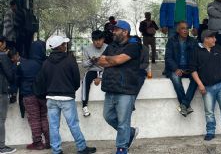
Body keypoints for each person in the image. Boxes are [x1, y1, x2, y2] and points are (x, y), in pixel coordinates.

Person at [35, 35, 96, 154]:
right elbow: (76, 80)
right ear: (61, 46)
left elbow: (41, 81)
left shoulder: (46, 63)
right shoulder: (70, 60)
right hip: (67, 97)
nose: (66, 46)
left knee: (53, 126)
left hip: (51, 98)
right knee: (73, 124)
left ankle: (56, 150)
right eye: (64, 44)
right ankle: (81, 148)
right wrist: (70, 90)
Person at [98, 20, 142, 154]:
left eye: (116, 29)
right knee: (108, 116)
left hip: (125, 89)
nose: (113, 32)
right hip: (110, 87)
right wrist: (113, 60)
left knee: (123, 121)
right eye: (113, 29)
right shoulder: (112, 46)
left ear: (125, 32)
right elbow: (101, 61)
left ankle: (122, 148)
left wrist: (110, 59)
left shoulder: (134, 46)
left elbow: (116, 60)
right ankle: (130, 133)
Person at [189, 30, 221, 141]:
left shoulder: (218, 48)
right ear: (205, 39)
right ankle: (210, 132)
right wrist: (200, 85)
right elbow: (193, 70)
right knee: (209, 111)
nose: (215, 40)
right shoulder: (196, 51)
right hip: (206, 87)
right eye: (212, 37)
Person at [13, 41, 49, 150]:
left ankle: (38, 143)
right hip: (43, 95)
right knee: (43, 117)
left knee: (34, 119)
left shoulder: (23, 64)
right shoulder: (46, 63)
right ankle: (50, 141)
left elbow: (16, 78)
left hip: (29, 95)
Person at [165, 21, 198, 117]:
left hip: (189, 68)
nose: (186, 30)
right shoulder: (172, 41)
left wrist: (192, 69)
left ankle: (184, 105)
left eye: (187, 28)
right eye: (183, 28)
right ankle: (186, 106)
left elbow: (196, 57)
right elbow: (168, 57)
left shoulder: (193, 41)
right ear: (178, 30)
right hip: (176, 68)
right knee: (175, 78)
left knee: (196, 79)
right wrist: (175, 69)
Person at [81, 30, 107, 117]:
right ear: (92, 40)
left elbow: (112, 64)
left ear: (103, 39)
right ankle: (84, 105)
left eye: (100, 39)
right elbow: (84, 65)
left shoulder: (108, 48)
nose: (98, 42)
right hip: (92, 70)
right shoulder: (87, 49)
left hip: (105, 70)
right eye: (95, 40)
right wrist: (91, 60)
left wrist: (100, 77)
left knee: (112, 75)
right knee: (85, 78)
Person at [0, 36, 16, 154]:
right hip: (1, 91)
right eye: (4, 43)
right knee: (1, 119)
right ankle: (1, 147)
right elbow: (10, 75)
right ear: (1, 44)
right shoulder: (2, 56)